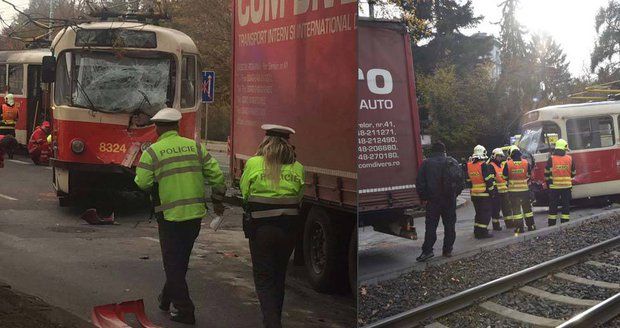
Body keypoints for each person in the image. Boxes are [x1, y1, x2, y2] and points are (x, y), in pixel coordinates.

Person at [134, 107, 226, 325]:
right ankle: (166, 299)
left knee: (173, 264)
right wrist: (218, 201)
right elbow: (217, 176)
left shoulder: (153, 152)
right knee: (180, 260)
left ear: (157, 128)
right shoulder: (195, 147)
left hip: (169, 216)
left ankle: (185, 310)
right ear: (176, 126)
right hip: (194, 216)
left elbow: (142, 182)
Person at [240, 124, 304, 328]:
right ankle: (274, 319)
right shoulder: (298, 167)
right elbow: (300, 199)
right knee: (279, 277)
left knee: (264, 278)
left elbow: (245, 195)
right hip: (289, 230)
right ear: (288, 145)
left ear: (265, 142)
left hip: (261, 231)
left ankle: (272, 323)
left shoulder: (253, 163)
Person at [415, 141, 463, 262]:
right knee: (450, 226)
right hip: (449, 200)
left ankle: (428, 251)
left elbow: (420, 184)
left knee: (431, 226)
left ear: (433, 151)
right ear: (444, 150)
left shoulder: (426, 164)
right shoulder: (452, 162)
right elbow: (460, 181)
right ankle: (447, 250)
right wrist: (454, 194)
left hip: (433, 201)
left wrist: (425, 198)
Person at [466, 145, 496, 239]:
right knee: (485, 214)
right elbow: (488, 180)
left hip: (475, 194)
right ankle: (483, 232)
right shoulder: (483, 165)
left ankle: (477, 231)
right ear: (483, 153)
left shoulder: (470, 166)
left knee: (478, 214)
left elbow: (468, 181)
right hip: (484, 194)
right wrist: (492, 192)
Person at [503, 146, 535, 233]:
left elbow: (504, 177)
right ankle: (531, 226)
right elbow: (529, 175)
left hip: (513, 191)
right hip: (524, 190)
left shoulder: (508, 164)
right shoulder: (525, 163)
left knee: (516, 210)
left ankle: (519, 228)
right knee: (527, 209)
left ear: (511, 154)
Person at [545, 139, 576, 225]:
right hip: (566, 187)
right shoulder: (569, 158)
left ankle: (551, 224)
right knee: (565, 206)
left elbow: (546, 173)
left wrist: (549, 184)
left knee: (553, 206)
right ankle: (565, 224)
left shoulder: (551, 159)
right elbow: (573, 173)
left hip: (554, 188)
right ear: (564, 148)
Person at [489, 148, 512, 230]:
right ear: (494, 156)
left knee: (507, 208)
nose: (499, 158)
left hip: (504, 190)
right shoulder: (491, 166)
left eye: (500, 156)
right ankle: (496, 225)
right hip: (496, 191)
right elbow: (491, 180)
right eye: (498, 156)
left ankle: (509, 223)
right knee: (496, 209)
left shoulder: (502, 165)